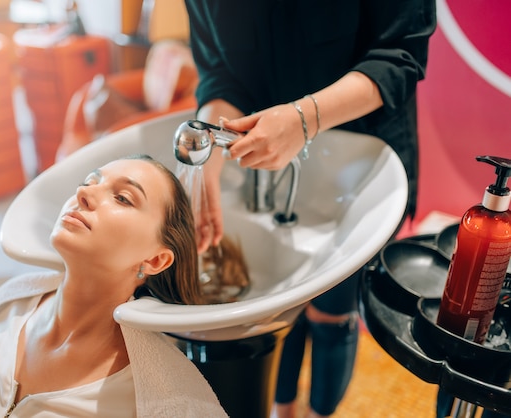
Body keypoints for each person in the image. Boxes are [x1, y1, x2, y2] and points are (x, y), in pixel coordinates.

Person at [182, 1, 436, 417]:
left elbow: (400, 54)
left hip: (359, 165)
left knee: (330, 314)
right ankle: (283, 408)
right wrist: (209, 144)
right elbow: (219, 74)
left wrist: (304, 119)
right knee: (279, 313)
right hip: (265, 169)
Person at [0, 155, 228, 417]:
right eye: (90, 181)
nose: (84, 193)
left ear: (155, 261)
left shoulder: (166, 392)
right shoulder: (15, 299)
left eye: (123, 198)